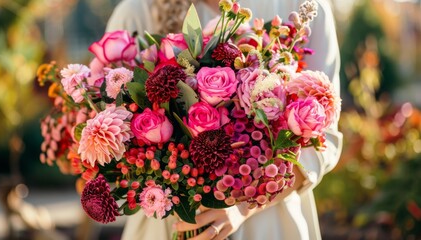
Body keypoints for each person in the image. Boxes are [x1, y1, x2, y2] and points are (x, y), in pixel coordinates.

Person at [106, 0, 343, 239]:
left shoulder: (302, 6)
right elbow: (107, 119)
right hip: (165, 225)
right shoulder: (137, 12)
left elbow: (324, 138)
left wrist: (244, 207)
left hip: (269, 225)